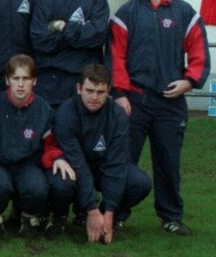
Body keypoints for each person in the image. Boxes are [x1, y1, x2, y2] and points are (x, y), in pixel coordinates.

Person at [110, 0, 210, 236]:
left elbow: (199, 51)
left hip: (171, 101)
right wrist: (120, 94)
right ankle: (116, 213)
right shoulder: (126, 13)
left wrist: (189, 82)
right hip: (134, 101)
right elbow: (115, 56)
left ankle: (170, 216)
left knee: (168, 162)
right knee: (123, 162)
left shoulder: (184, 12)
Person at [43, 64, 152, 242]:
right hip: (74, 167)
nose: (94, 97)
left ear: (109, 91)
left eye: (100, 92)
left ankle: (113, 219)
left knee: (140, 182)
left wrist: (108, 211)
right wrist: (91, 208)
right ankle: (59, 217)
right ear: (79, 89)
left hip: (103, 167)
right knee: (61, 183)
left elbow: (116, 164)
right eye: (90, 90)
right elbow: (78, 164)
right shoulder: (65, 114)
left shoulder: (118, 116)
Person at [0, 55, 54, 238]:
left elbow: (50, 145)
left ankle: (28, 216)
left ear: (34, 81)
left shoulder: (44, 110)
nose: (20, 84)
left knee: (37, 188)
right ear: (7, 80)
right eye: (16, 78)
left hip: (28, 164)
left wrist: (55, 159)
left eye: (26, 79)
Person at [31, 0, 110, 107]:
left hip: (84, 85)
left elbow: (97, 36)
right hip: (49, 84)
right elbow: (39, 40)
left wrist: (62, 27)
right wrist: (78, 35)